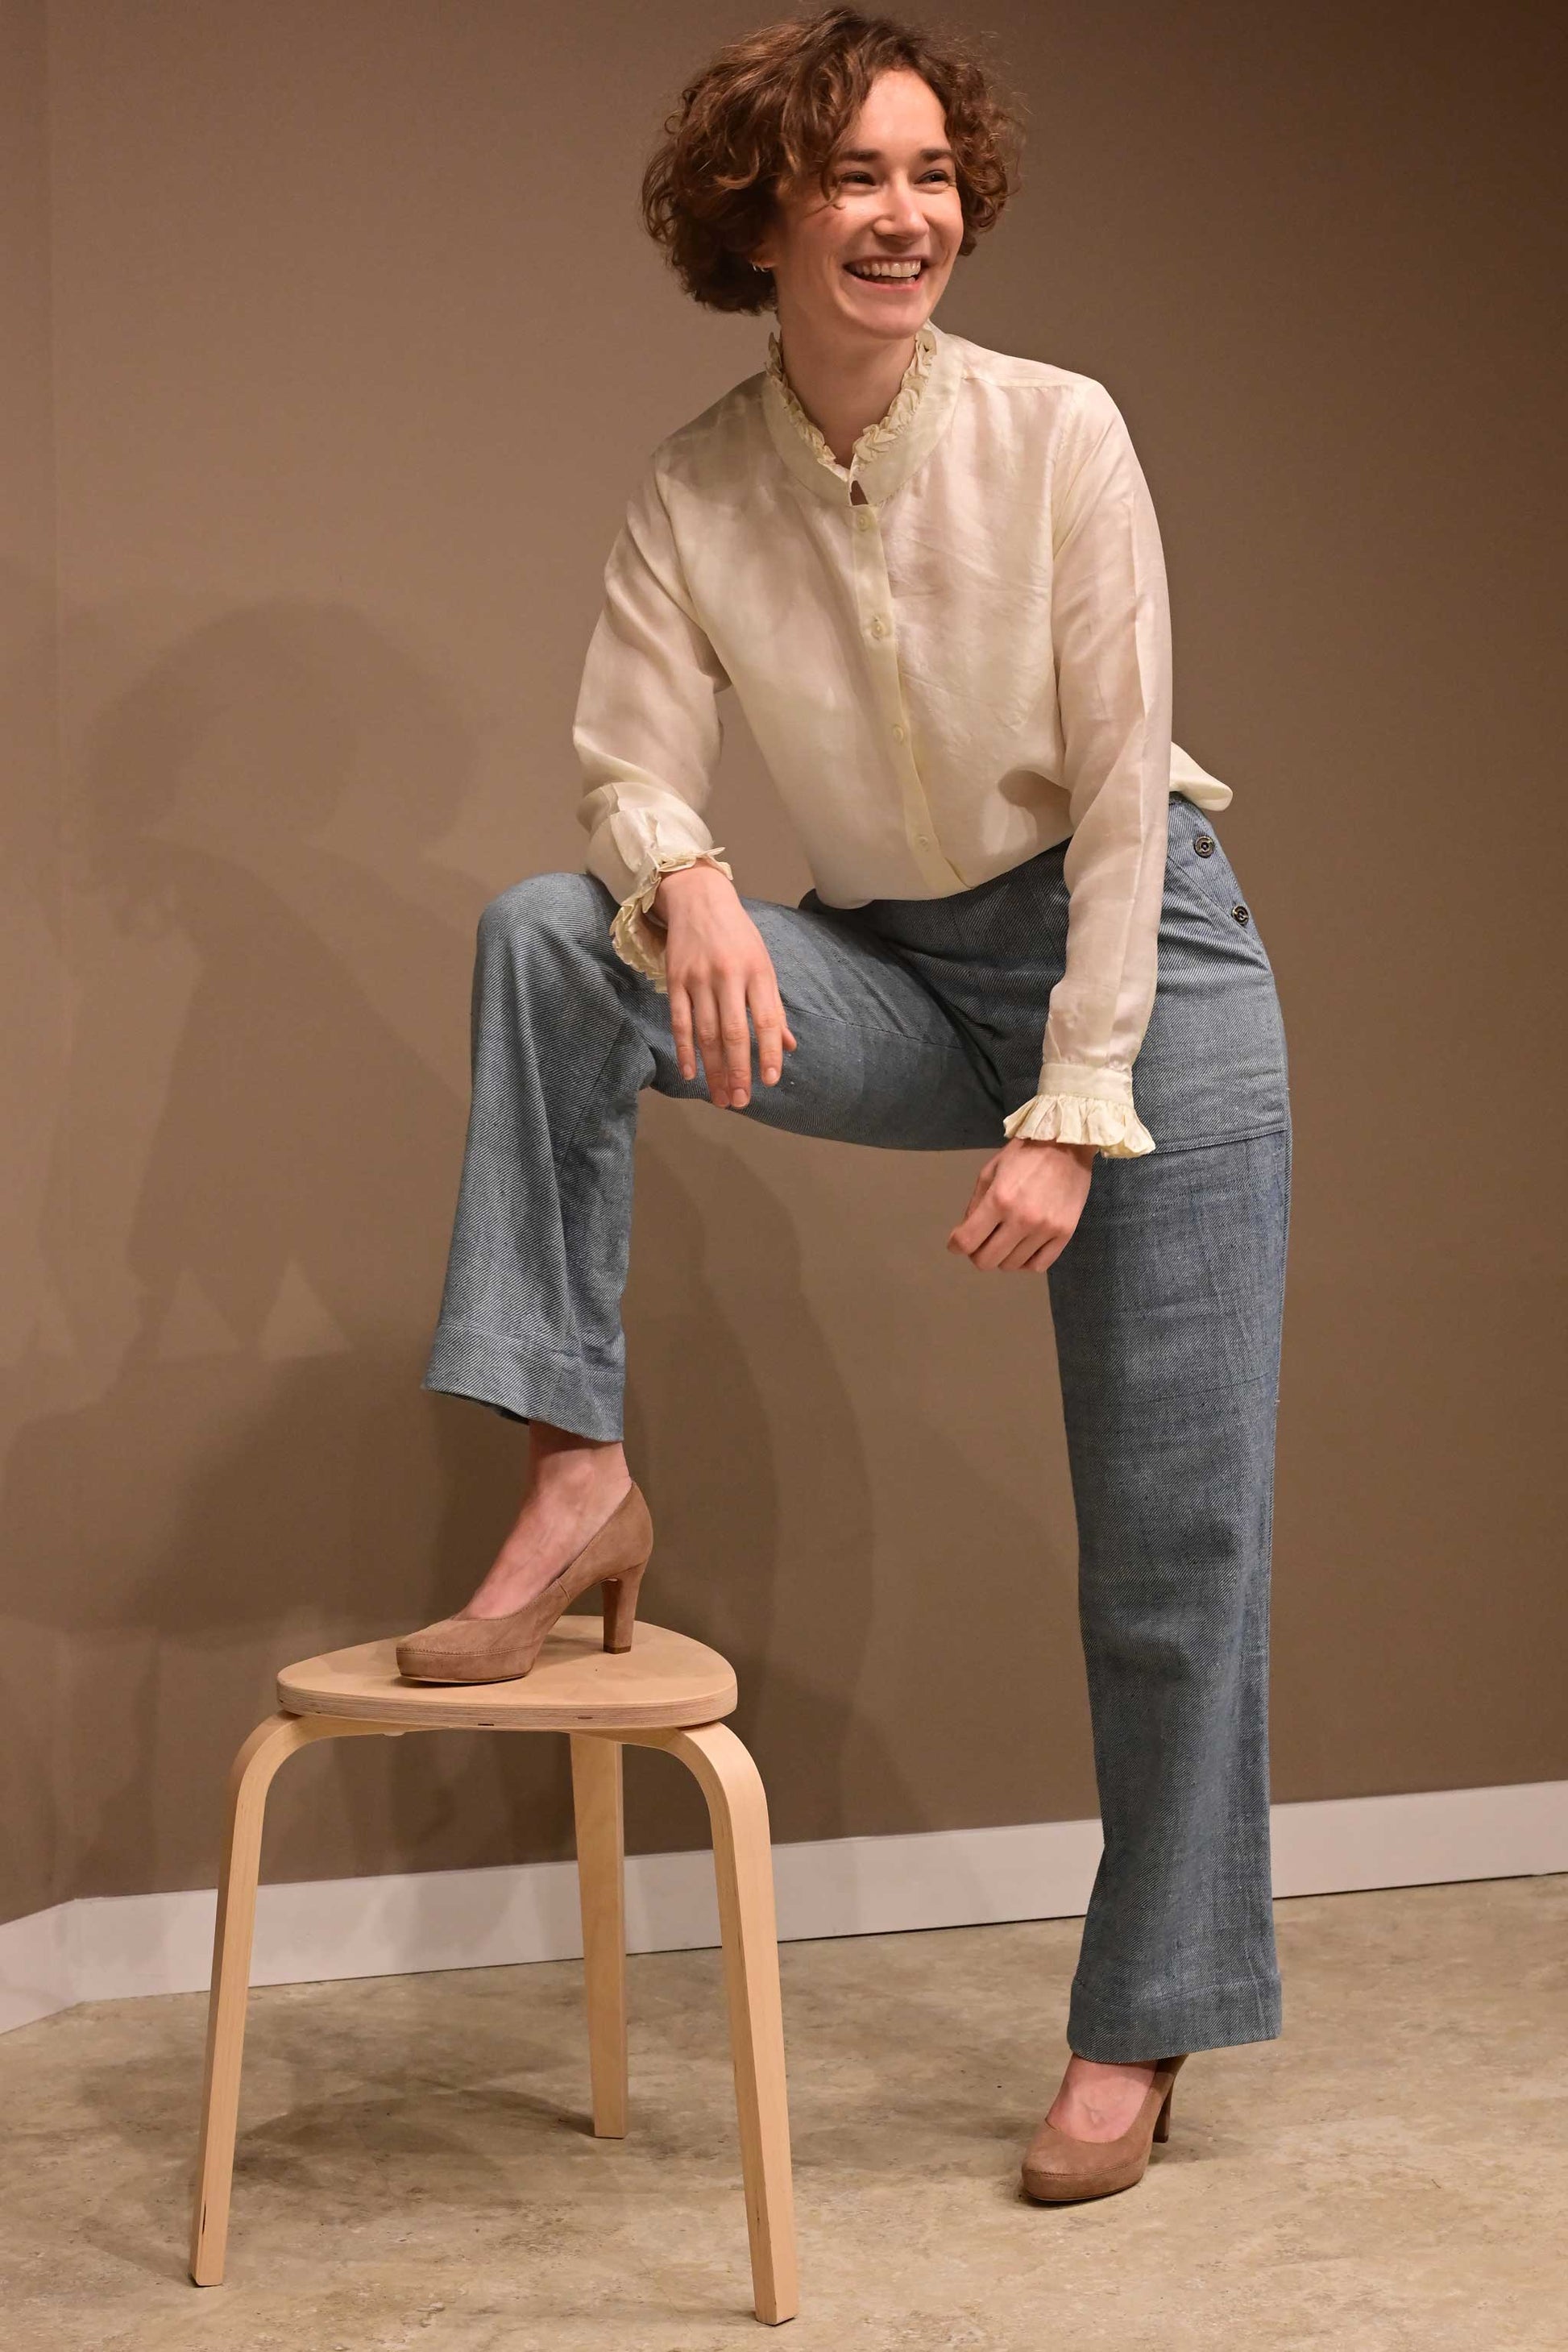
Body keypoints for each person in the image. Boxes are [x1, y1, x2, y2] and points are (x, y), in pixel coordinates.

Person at [396, 5, 1292, 2205]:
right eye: (855, 179)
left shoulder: (1059, 432)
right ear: (762, 216)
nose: (906, 216)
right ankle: (577, 1464)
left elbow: (1108, 799)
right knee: (548, 928)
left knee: (1171, 1553)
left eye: (929, 174)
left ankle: (1138, 2021)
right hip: (887, 965)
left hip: (1141, 972)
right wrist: (682, 870)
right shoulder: (695, 485)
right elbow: (622, 758)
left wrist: (1077, 1104)